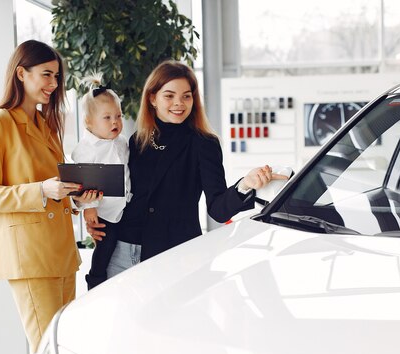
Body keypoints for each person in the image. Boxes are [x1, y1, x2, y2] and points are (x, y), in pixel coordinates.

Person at [87, 60, 288, 277]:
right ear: (153, 98)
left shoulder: (204, 143)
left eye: (186, 96)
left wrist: (245, 185)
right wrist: (96, 216)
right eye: (169, 95)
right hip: (120, 252)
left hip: (171, 254)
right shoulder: (138, 140)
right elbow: (122, 195)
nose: (179, 103)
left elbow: (218, 209)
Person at [0, 40, 99, 353]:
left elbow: (56, 185)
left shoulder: (45, 124)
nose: (54, 84)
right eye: (46, 75)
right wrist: (41, 190)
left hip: (61, 254)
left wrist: (78, 196)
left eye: (57, 77)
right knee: (48, 352)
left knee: (64, 348)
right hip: (30, 257)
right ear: (21, 74)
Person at [71, 75, 131, 290]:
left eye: (118, 116)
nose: (115, 122)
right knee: (105, 246)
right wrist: (89, 209)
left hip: (124, 206)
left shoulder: (123, 142)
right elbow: (83, 182)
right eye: (107, 118)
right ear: (89, 122)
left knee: (122, 245)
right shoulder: (87, 149)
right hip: (103, 210)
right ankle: (95, 281)